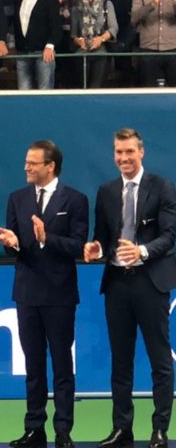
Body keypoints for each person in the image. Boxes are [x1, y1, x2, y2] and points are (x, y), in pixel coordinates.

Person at [84, 128, 176, 448]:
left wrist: (142, 251)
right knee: (121, 360)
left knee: (160, 359)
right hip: (117, 285)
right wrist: (96, 249)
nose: (123, 158)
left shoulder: (162, 187)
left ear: (141, 153)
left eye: (129, 152)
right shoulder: (106, 191)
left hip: (150, 282)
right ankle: (122, 429)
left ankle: (160, 429)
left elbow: (170, 236)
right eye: (118, 152)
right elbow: (102, 237)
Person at [0, 140, 88, 448]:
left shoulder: (75, 199)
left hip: (60, 295)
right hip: (27, 293)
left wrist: (48, 238)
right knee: (33, 366)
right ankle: (34, 428)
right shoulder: (17, 198)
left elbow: (78, 245)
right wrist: (12, 244)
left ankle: (63, 430)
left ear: (50, 166)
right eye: (26, 161)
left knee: (62, 365)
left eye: (32, 163)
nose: (26, 167)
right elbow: (14, 248)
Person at [14, 0, 62, 90]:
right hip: (22, 53)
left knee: (44, 92)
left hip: (43, 54)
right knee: (23, 92)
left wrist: (50, 46)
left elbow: (57, 27)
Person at [130, 0, 176, 87]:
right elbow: (133, 19)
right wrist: (152, 4)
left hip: (173, 51)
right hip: (148, 51)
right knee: (148, 91)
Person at [70, 0, 117, 88]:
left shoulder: (106, 4)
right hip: (82, 52)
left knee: (96, 87)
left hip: (101, 50)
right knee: (83, 87)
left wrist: (101, 39)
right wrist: (78, 41)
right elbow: (73, 34)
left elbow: (113, 28)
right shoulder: (76, 7)